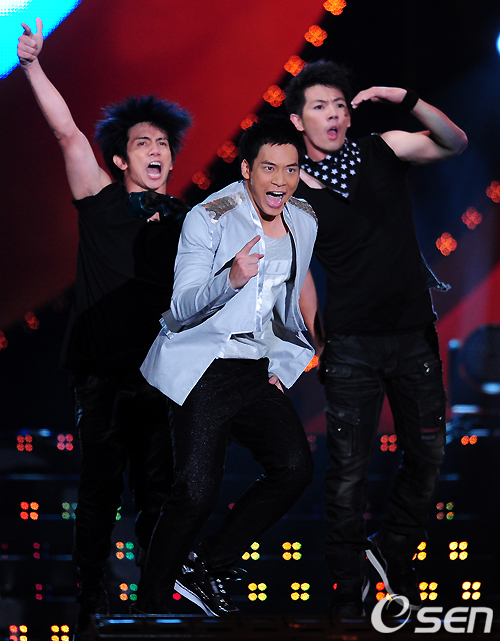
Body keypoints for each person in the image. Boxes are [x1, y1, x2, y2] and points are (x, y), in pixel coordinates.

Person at [17, 19, 191, 639]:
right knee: (98, 495)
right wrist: (33, 66)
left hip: (160, 376)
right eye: (143, 143)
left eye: (163, 143)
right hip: (101, 376)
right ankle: (88, 608)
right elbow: (66, 132)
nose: (155, 151)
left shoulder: (188, 219)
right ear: (121, 157)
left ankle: (154, 606)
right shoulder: (99, 198)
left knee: (158, 495)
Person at [286, 60, 468, 616]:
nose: (332, 115)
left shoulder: (381, 148)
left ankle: (388, 553)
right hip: (351, 346)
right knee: (347, 472)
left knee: (428, 452)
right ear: (298, 120)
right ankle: (348, 590)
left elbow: (455, 142)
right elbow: (299, 271)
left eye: (339, 105)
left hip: (413, 334)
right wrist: (319, 337)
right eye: (319, 106)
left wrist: (402, 96)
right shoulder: (292, 190)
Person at [135, 115, 317, 616]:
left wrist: (284, 365)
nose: (281, 181)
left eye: (290, 169)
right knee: (195, 494)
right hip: (205, 366)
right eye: (269, 168)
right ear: (246, 170)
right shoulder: (209, 218)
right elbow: (180, 308)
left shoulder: (303, 220)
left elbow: (286, 301)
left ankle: (209, 564)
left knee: (295, 468)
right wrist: (230, 279)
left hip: (256, 369)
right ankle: (150, 607)